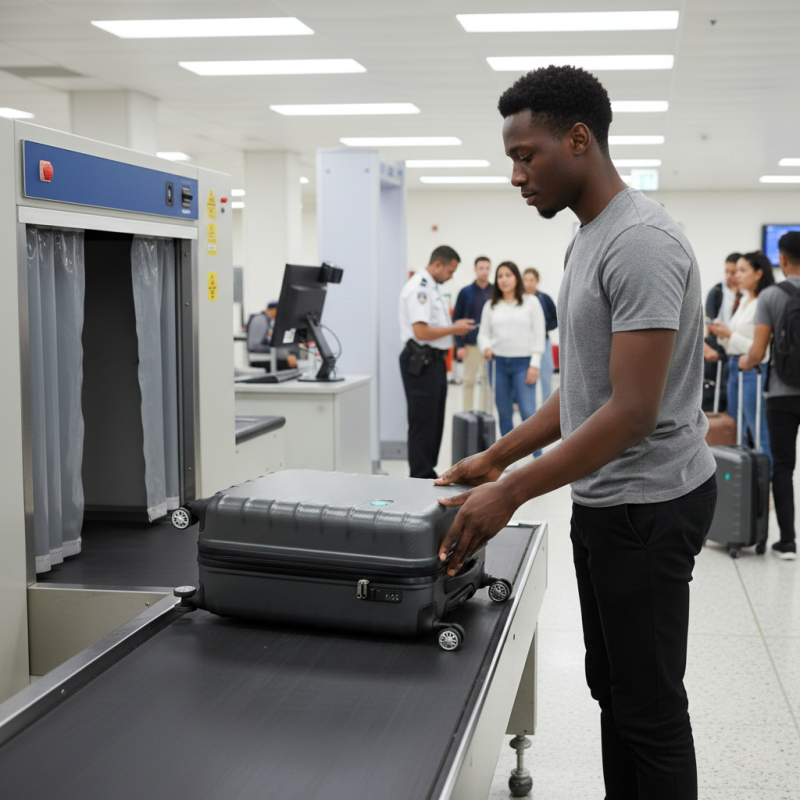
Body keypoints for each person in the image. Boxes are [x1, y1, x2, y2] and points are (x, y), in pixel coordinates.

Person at [434, 65, 716, 800]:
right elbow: (583, 390)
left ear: (580, 140)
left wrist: (514, 491)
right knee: (612, 693)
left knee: (649, 710)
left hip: (650, 505)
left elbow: (631, 411)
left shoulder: (642, 242)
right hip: (605, 501)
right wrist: (495, 458)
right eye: (512, 159)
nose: (517, 174)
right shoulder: (588, 238)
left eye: (527, 155)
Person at [739, 232, 800, 560]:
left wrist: (745, 362)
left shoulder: (772, 296)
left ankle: (787, 541)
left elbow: (758, 351)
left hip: (782, 393)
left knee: (784, 466)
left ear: (784, 260)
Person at [399, 246, 474, 478]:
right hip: (422, 362)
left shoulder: (432, 287)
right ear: (438, 264)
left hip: (435, 362)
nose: (451, 276)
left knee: (433, 422)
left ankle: (427, 472)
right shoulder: (419, 288)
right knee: (423, 423)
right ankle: (420, 475)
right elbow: (420, 331)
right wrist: (454, 328)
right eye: (450, 271)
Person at [708, 251, 774, 469]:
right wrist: (723, 335)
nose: (737, 275)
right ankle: (743, 479)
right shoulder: (745, 300)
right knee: (737, 428)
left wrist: (730, 336)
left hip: (753, 369)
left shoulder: (762, 303)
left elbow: (759, 350)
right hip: (735, 367)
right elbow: (736, 343)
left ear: (758, 273)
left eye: (742, 271)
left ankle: (765, 484)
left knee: (757, 428)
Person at [478, 260, 545, 441]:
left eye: (508, 275)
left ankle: (537, 457)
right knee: (504, 412)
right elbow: (482, 334)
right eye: (500, 276)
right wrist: (486, 347)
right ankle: (506, 458)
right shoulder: (491, 305)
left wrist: (535, 364)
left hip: (523, 364)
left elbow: (539, 335)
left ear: (516, 278)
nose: (503, 280)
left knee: (528, 413)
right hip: (499, 364)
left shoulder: (531, 302)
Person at [453, 256, 493, 412]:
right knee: (469, 380)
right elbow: (457, 319)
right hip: (471, 344)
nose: (484, 272)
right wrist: (460, 345)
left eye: (487, 268)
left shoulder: (495, 291)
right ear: (475, 270)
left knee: (487, 382)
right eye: (481, 268)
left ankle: (485, 413)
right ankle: (468, 412)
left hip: (489, 345)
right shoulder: (465, 292)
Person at [703, 253, 742, 411]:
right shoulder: (717, 291)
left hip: (736, 346)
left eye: (733, 272)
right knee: (714, 386)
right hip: (717, 344)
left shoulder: (746, 294)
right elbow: (708, 320)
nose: (729, 276)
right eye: (726, 272)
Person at [523, 267, 558, 401]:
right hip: (525, 343)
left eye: (531, 280)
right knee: (524, 375)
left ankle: (546, 404)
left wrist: (543, 328)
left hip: (543, 340)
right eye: (526, 280)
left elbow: (556, 319)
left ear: (537, 281)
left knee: (546, 375)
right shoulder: (520, 299)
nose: (528, 283)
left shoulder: (545, 298)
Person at [246, 301, 298, 370]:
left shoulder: (269, 321)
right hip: (261, 360)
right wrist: (281, 352)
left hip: (270, 358)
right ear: (271, 309)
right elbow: (254, 346)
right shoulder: (260, 320)